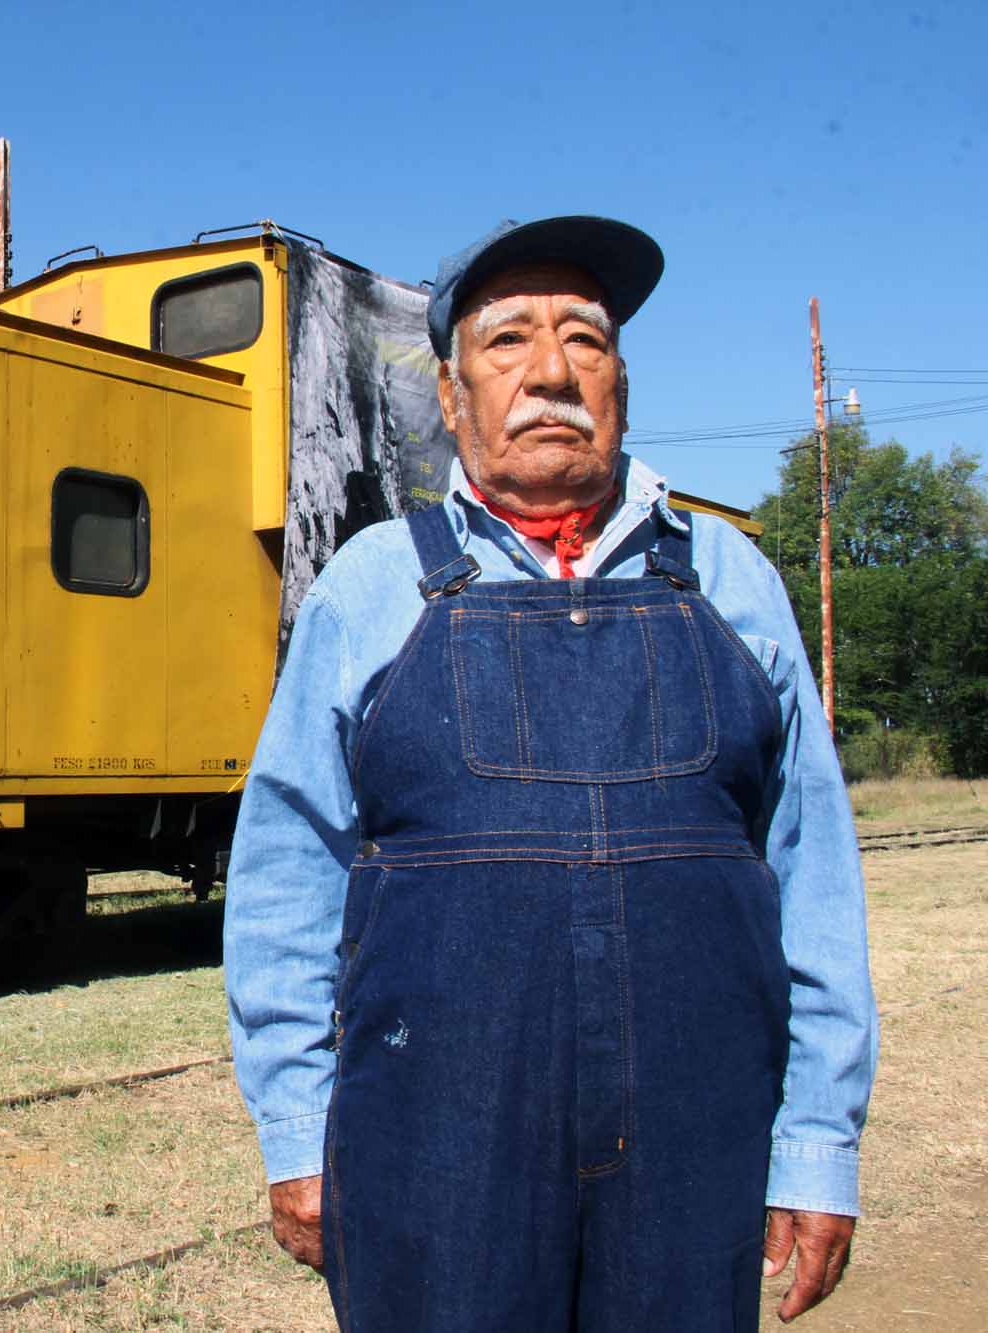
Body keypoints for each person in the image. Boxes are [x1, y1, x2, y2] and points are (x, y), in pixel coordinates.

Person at [223, 216, 877, 1330]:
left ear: (620, 380)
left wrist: (815, 1144)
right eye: (506, 341)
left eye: (584, 337)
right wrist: (297, 1132)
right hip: (433, 1147)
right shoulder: (369, 587)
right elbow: (287, 875)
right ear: (449, 395)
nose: (548, 372)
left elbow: (811, 876)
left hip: (692, 1148)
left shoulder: (729, 581)